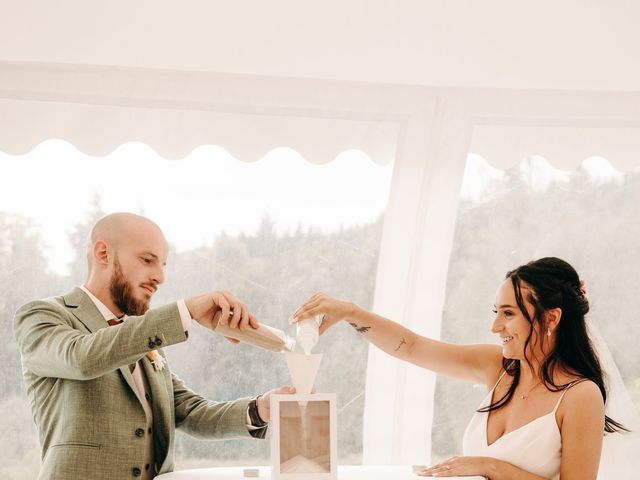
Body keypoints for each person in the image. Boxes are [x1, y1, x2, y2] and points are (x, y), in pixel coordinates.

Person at [292, 257, 629, 479]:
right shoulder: (497, 367)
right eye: (495, 312)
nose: (495, 326)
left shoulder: (580, 396)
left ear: (551, 318)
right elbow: (413, 347)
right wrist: (351, 313)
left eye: (508, 313)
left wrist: (491, 467)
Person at [14, 213, 292, 480]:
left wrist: (261, 409)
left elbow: (189, 410)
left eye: (163, 265)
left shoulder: (144, 338)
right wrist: (187, 312)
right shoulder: (42, 316)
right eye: (148, 260)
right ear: (103, 253)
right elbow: (82, 358)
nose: (160, 277)